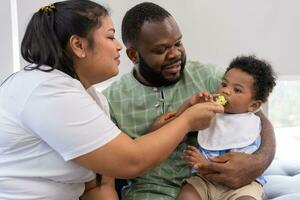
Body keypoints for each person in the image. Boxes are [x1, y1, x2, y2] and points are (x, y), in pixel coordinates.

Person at [0, 0, 224, 199]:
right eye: (110, 36)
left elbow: (98, 184)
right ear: (78, 45)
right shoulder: (46, 90)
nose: (118, 45)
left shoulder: (92, 99)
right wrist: (186, 121)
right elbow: (131, 161)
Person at [103, 2, 276, 200]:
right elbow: (115, 166)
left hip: (216, 184)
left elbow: (256, 117)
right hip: (151, 193)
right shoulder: (111, 101)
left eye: (178, 43)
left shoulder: (212, 78)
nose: (176, 54)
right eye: (162, 50)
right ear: (134, 55)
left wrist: (258, 162)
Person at [175, 55, 277, 200]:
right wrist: (193, 106)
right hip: (204, 180)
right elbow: (182, 127)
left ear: (253, 105)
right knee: (187, 195)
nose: (226, 91)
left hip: (243, 186)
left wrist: (205, 163)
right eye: (224, 84)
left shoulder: (253, 124)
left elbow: (239, 163)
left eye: (237, 90)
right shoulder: (209, 114)